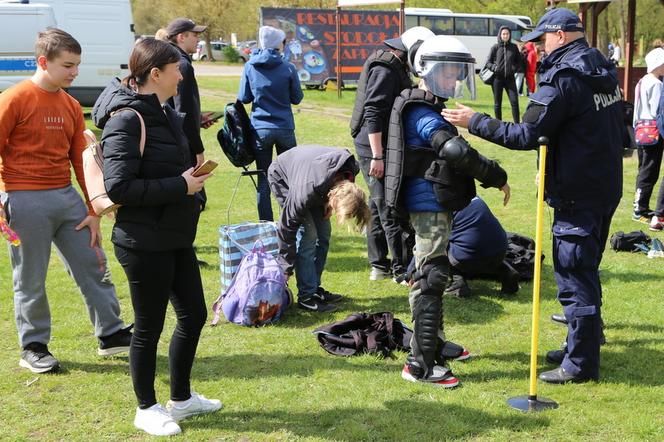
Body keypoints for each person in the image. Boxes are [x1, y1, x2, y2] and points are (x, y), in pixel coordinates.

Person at [443, 8, 626, 384]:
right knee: (586, 269)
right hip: (604, 186)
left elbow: (526, 135)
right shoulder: (602, 68)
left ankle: (580, 364)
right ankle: (584, 344)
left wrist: (474, 121)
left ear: (559, 35)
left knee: (574, 275)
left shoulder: (564, 77)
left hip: (577, 192)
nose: (539, 48)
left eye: (542, 40)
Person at [92, 38, 220, 436]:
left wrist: (190, 183)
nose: (182, 75)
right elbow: (119, 188)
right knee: (149, 326)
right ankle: (145, 407)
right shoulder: (128, 119)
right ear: (156, 74)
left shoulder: (164, 112)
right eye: (176, 68)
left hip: (175, 234)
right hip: (143, 240)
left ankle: (180, 400)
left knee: (194, 315)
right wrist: (179, 186)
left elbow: (169, 168)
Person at [0, 28, 131, 374]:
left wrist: (93, 210)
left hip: (66, 198)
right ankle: (34, 346)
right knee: (30, 277)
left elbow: (81, 160)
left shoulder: (71, 105)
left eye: (77, 65)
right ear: (43, 62)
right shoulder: (13, 99)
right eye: (67, 65)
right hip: (22, 199)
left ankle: (112, 333)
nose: (74, 72)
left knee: (94, 262)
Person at [384, 35, 510, 387]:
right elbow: (453, 150)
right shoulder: (423, 112)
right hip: (428, 208)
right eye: (449, 70)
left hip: (434, 205)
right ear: (428, 69)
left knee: (431, 276)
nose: (454, 79)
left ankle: (433, 344)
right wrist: (496, 175)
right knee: (431, 278)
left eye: (458, 71)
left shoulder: (424, 104)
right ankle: (420, 364)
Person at [350, 26, 434, 284]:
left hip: (378, 145)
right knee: (388, 205)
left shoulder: (394, 65)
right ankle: (399, 270)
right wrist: (378, 156)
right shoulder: (385, 69)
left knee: (378, 205)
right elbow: (373, 111)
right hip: (373, 147)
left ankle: (379, 265)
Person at [268, 145, 370, 312]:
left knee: (324, 234)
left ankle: (314, 289)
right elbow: (286, 227)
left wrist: (328, 205)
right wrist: (285, 266)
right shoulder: (304, 192)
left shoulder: (351, 169)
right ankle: (306, 297)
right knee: (309, 235)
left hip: (318, 181)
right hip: (283, 176)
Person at [239, 25, 303, 222]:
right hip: (284, 126)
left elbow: (244, 97)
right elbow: (297, 98)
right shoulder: (288, 67)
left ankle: (266, 224)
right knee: (288, 179)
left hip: (260, 128)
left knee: (264, 180)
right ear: (278, 45)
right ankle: (290, 222)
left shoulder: (250, 66)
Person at [165, 18, 212, 210]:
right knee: (194, 200)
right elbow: (181, 111)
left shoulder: (170, 59)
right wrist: (198, 149)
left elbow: (173, 106)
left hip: (171, 139)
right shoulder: (181, 64)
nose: (198, 40)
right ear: (181, 37)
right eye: (195, 35)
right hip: (180, 145)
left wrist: (197, 119)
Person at [444, 197, 520, 298]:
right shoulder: (472, 194)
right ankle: (507, 272)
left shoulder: (441, 200)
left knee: (438, 244)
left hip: (469, 255)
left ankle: (457, 283)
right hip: (501, 250)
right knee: (484, 245)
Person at [632, 47, 664, 230]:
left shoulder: (642, 81)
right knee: (650, 172)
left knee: (643, 170)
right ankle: (640, 209)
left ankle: (639, 205)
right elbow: (657, 111)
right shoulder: (657, 84)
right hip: (653, 131)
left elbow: (637, 108)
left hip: (641, 129)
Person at [485, 26, 522, 122]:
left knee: (514, 102)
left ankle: (517, 124)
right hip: (497, 79)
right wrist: (494, 68)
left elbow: (519, 62)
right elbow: (488, 63)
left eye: (507, 34)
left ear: (510, 35)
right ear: (500, 35)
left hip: (510, 79)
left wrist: (513, 68)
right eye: (503, 34)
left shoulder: (514, 47)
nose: (505, 36)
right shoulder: (495, 47)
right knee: (497, 104)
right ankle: (499, 124)